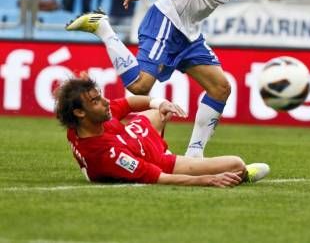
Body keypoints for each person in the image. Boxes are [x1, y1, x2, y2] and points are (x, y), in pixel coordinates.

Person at [66, 0, 271, 159]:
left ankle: (195, 154)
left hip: (190, 33)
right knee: (140, 86)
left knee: (221, 88)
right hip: (168, 17)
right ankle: (103, 28)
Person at [56, 75, 269, 186]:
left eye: (100, 96)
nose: (105, 102)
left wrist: (159, 103)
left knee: (158, 111)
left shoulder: (86, 124)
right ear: (79, 113)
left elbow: (129, 103)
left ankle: (193, 159)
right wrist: (207, 180)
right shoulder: (108, 156)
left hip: (134, 139)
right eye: (96, 101)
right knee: (236, 164)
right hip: (159, 161)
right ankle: (240, 175)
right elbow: (157, 177)